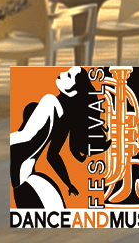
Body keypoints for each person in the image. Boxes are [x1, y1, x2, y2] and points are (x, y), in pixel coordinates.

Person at [10, 66, 93, 209]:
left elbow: (26, 137)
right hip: (27, 176)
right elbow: (53, 156)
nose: (61, 73)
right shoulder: (64, 119)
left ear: (72, 91)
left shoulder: (49, 101)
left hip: (23, 178)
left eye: (68, 76)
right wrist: (68, 184)